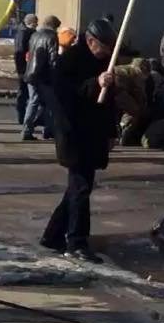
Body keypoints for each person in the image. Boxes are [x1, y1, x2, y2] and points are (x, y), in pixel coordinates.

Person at [39, 18, 118, 263]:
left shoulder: (104, 62)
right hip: (73, 133)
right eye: (103, 46)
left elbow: (108, 104)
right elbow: (66, 95)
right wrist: (95, 83)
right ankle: (77, 242)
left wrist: (111, 132)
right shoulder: (69, 61)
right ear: (90, 40)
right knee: (81, 188)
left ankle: (52, 235)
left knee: (77, 188)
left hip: (93, 134)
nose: (106, 51)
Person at [22, 15, 61, 141]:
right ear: (54, 26)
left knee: (32, 101)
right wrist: (56, 73)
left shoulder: (35, 35)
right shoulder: (52, 37)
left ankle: (26, 129)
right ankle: (48, 130)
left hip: (30, 72)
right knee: (50, 103)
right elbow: (53, 58)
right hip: (44, 74)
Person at [113, 58, 151, 146]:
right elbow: (119, 94)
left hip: (122, 94)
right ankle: (123, 130)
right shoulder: (121, 72)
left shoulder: (139, 77)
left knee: (137, 109)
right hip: (116, 94)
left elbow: (140, 94)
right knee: (134, 110)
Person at [14, 14, 39, 125]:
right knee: (24, 93)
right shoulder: (24, 33)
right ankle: (22, 116)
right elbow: (19, 53)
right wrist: (21, 70)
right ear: (30, 23)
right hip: (25, 68)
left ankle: (23, 116)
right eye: (35, 22)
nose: (37, 25)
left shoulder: (25, 32)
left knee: (25, 93)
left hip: (25, 68)